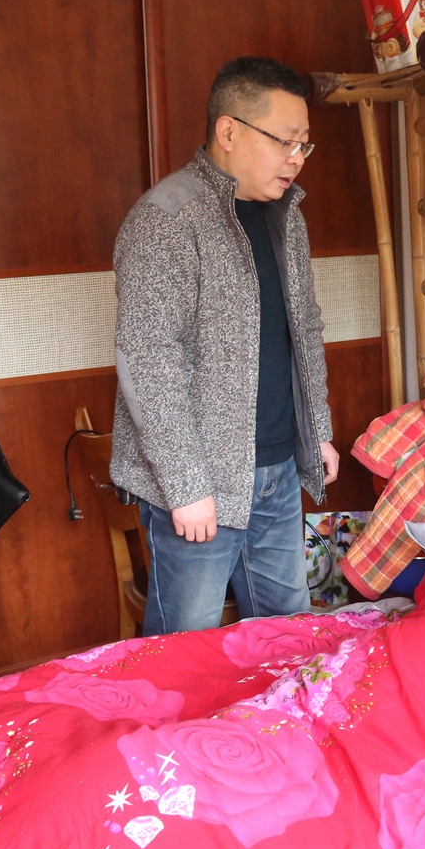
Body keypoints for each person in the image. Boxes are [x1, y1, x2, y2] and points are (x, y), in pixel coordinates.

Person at [111, 56, 340, 636]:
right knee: (186, 643)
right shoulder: (166, 219)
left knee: (286, 632)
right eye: (285, 141)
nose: (296, 158)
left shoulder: (286, 214)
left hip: (279, 467)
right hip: (201, 480)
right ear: (229, 131)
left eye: (304, 145)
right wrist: (186, 487)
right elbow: (149, 361)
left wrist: (317, 429)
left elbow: (304, 327)